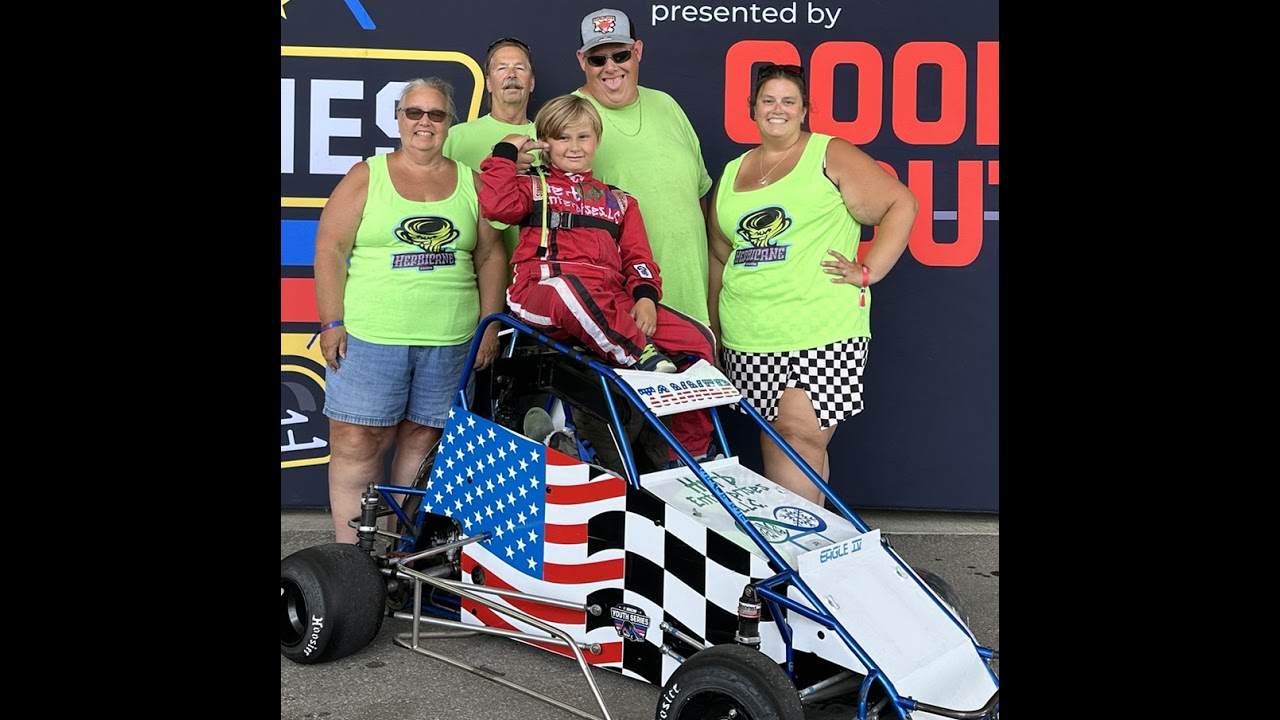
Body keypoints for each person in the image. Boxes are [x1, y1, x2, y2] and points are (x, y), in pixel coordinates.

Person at [707, 63, 919, 506]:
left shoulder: (830, 153)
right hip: (749, 333)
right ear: (752, 108)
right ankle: (820, 551)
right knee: (786, 440)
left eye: (789, 101)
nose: (777, 109)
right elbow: (719, 254)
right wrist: (715, 327)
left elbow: (901, 201)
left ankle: (795, 561)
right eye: (768, 100)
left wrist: (869, 270)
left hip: (819, 330)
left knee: (796, 437)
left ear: (804, 110)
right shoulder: (731, 171)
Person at [313, 76, 509, 544]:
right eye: (414, 113)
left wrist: (488, 326)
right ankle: (353, 559)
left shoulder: (471, 183)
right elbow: (329, 249)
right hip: (369, 335)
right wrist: (331, 322)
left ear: (449, 123)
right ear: (399, 119)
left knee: (422, 444)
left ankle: (400, 556)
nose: (425, 123)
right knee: (356, 442)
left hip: (449, 338)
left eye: (436, 114)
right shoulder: (367, 175)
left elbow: (490, 255)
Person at [479, 93, 716, 462]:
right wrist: (506, 152)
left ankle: (689, 455)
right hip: (541, 291)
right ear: (545, 143)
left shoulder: (620, 201)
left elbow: (639, 258)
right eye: (562, 138)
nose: (574, 147)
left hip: (609, 301)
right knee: (568, 289)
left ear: (598, 141)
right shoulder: (531, 185)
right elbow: (495, 205)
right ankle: (638, 355)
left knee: (697, 340)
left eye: (583, 137)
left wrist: (645, 298)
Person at [568, 7, 714, 327]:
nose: (610, 67)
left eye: (620, 55)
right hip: (623, 312)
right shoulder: (568, 118)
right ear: (581, 61)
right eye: (597, 59)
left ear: (638, 51)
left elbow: (697, 198)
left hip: (692, 304)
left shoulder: (667, 105)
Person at [442, 37, 542, 262]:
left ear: (532, 82)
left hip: (534, 278)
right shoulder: (455, 137)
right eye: (502, 68)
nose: (511, 75)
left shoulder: (550, 139)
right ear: (488, 82)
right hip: (469, 270)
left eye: (520, 68)